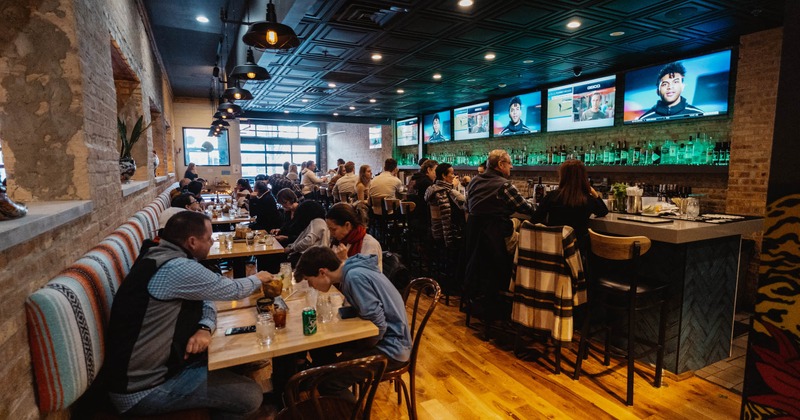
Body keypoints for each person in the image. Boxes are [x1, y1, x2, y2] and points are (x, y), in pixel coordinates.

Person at [104, 211, 275, 418]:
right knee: (251, 396)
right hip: (143, 389)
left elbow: (207, 297)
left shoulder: (157, 254)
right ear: (192, 242)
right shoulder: (176, 267)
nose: (212, 241)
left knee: (240, 362)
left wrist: (205, 327)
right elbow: (231, 290)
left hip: (159, 370)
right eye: (209, 238)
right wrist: (258, 278)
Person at [293, 246, 411, 400]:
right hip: (387, 339)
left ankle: (350, 410)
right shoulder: (352, 269)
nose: (310, 285)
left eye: (309, 280)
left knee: (329, 384)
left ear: (322, 272)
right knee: (320, 348)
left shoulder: (354, 277)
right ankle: (326, 376)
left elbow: (379, 325)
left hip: (392, 348)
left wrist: (357, 351)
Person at [464, 149, 534, 338]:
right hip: (495, 243)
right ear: (501, 165)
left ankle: (483, 305)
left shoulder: (474, 182)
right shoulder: (504, 185)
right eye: (509, 163)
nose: (511, 167)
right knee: (522, 244)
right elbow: (526, 209)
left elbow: (467, 207)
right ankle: (514, 303)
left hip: (474, 239)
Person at [531, 160, 608, 252]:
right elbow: (603, 211)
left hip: (554, 250)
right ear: (583, 177)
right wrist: (593, 192)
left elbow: (535, 220)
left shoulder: (552, 196)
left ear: (562, 176)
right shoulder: (588, 199)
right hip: (577, 252)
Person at [637, 61, 704, 121]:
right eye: (665, 84)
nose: (670, 87)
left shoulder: (699, 114)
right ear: (657, 91)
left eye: (675, 82)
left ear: (682, 87)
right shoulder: (644, 119)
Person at [326, 203, 382, 270]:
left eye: (334, 229)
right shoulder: (339, 242)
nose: (331, 234)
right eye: (329, 229)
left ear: (347, 225)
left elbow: (363, 277)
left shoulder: (369, 244)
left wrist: (344, 260)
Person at [425, 163, 466, 248]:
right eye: (452, 173)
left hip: (434, 230)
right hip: (449, 234)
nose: (454, 176)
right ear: (444, 175)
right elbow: (466, 202)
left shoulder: (431, 189)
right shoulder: (447, 192)